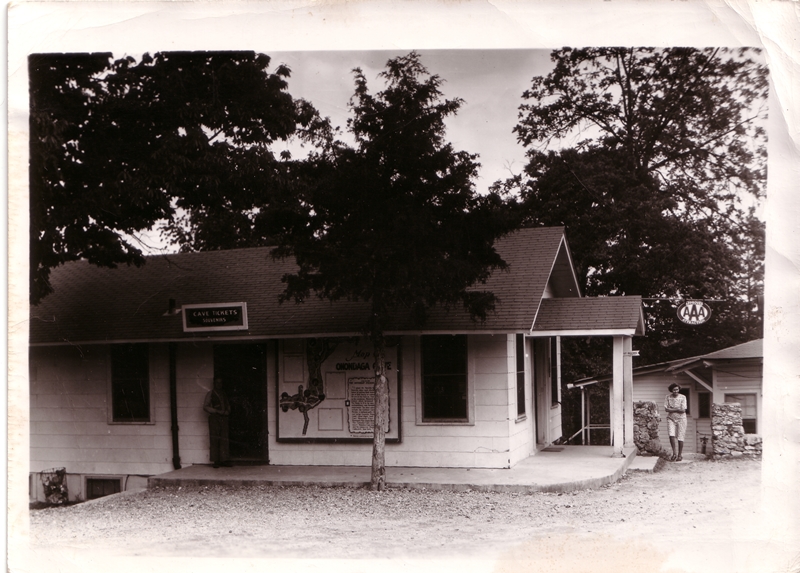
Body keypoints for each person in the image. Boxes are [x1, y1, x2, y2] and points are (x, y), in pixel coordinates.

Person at [203, 377, 231, 468]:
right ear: (214, 383)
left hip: (224, 418)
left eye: (220, 383)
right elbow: (205, 406)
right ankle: (216, 461)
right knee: (215, 438)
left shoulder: (224, 394)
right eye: (217, 383)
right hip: (214, 418)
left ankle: (224, 460)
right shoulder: (210, 393)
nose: (219, 384)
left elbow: (228, 405)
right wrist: (216, 411)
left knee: (224, 438)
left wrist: (227, 411)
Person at [664, 383, 687, 461]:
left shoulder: (683, 397)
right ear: (671, 390)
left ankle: (680, 455)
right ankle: (674, 453)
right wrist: (677, 409)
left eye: (677, 389)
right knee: (671, 435)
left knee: (681, 436)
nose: (676, 391)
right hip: (671, 418)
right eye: (674, 390)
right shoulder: (668, 397)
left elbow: (683, 410)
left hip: (681, 419)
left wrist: (672, 409)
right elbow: (666, 409)